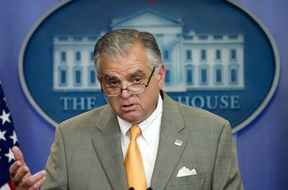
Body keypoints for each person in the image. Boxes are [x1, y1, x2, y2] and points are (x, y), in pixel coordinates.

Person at [10, 29, 244, 189]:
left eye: (136, 79)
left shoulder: (212, 132)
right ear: (101, 83)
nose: (125, 93)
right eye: (113, 82)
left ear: (159, 75)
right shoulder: (70, 137)